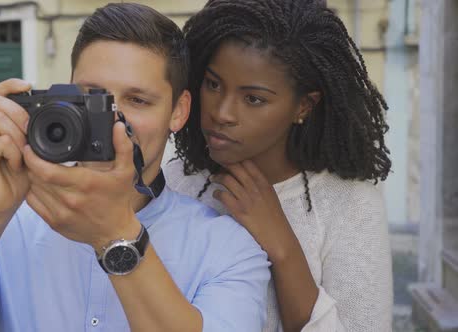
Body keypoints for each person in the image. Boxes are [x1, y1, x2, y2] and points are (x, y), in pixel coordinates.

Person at [0, 3, 270, 331]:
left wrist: (117, 237)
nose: (114, 121)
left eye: (137, 100)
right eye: (92, 98)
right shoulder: (10, 227)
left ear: (179, 110)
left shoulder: (228, 248)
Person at [165, 0, 393, 331]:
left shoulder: (349, 203)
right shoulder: (177, 179)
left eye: (253, 98)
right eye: (213, 84)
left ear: (304, 105)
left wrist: (282, 245)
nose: (222, 112)